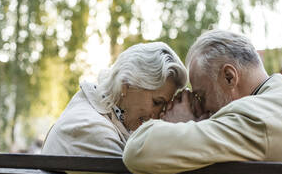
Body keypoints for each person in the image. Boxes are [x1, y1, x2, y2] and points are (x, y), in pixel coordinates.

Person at [123, 29, 282, 174]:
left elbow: (137, 150)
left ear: (229, 76)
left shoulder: (253, 118)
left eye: (200, 95)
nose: (201, 108)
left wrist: (179, 122)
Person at [41, 42, 187, 163]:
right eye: (157, 102)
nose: (159, 114)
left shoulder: (99, 115)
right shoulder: (91, 129)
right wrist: (179, 131)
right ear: (126, 85)